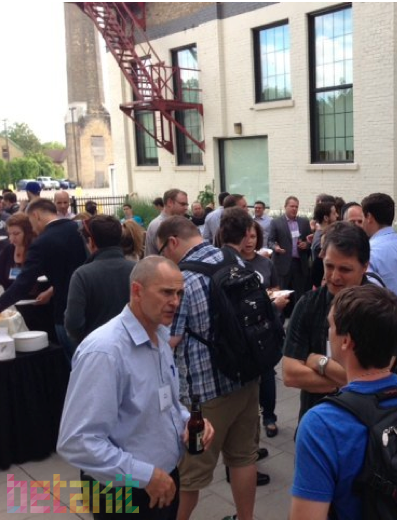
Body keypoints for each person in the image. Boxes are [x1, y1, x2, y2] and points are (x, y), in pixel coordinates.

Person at [57, 257, 215, 520]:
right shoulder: (105, 351)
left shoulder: (161, 336)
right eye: (166, 292)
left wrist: (187, 421)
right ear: (137, 291)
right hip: (122, 490)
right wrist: (145, 476)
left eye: (179, 293)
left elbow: (163, 404)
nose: (175, 302)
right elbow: (77, 441)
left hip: (161, 478)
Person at [289, 284, 397, 520]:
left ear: (346, 341)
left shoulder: (321, 425)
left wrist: (319, 362)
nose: (329, 332)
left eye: (331, 326)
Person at [156, 215, 260, 520]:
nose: (164, 258)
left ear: (172, 242)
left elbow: (171, 340)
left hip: (204, 395)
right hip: (246, 378)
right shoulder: (234, 259)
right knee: (243, 458)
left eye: (162, 251)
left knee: (190, 475)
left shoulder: (182, 279)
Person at [282, 222, 369, 421]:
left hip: (364, 424)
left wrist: (318, 362)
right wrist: (349, 381)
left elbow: (380, 376)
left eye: (345, 269)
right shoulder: (308, 304)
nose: (334, 277)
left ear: (364, 266)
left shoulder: (382, 308)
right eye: (329, 266)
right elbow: (290, 374)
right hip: (317, 419)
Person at [0, 198, 87, 357]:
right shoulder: (79, 229)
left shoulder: (41, 243)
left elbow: (23, 284)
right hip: (90, 308)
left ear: (36, 215)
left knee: (74, 363)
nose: (32, 228)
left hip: (64, 312)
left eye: (31, 222)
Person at [237, 220, 289, 438]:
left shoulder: (266, 263)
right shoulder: (234, 264)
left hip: (266, 327)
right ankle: (247, 422)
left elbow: (274, 287)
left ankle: (269, 417)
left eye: (253, 236)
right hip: (243, 329)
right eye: (245, 236)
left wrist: (274, 297)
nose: (249, 241)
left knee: (267, 373)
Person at [65, 215, 137, 344]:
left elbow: (73, 323)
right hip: (134, 344)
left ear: (91, 242)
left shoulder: (82, 275)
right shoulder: (138, 270)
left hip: (96, 346)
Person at [0, 212, 55, 337]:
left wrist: (49, 292)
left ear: (27, 232)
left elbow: (59, 277)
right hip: (16, 309)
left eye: (16, 234)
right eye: (9, 234)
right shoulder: (8, 251)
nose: (12, 239)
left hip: (41, 308)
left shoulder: (37, 250)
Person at [268, 196, 311, 315]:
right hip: (282, 263)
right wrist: (275, 248)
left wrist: (306, 244)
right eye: (292, 206)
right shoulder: (276, 222)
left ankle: (298, 317)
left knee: (299, 294)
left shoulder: (304, 222)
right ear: (285, 207)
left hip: (299, 263)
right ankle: (279, 318)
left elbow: (309, 240)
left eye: (296, 207)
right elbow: (270, 241)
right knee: (281, 293)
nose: (294, 209)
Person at [144, 189, 189, 256]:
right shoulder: (159, 225)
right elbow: (169, 256)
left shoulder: (179, 222)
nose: (186, 208)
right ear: (169, 202)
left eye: (186, 205)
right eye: (182, 204)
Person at [311, 201, 338, 288]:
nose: (337, 215)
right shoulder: (324, 237)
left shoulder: (318, 234)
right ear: (326, 218)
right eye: (334, 213)